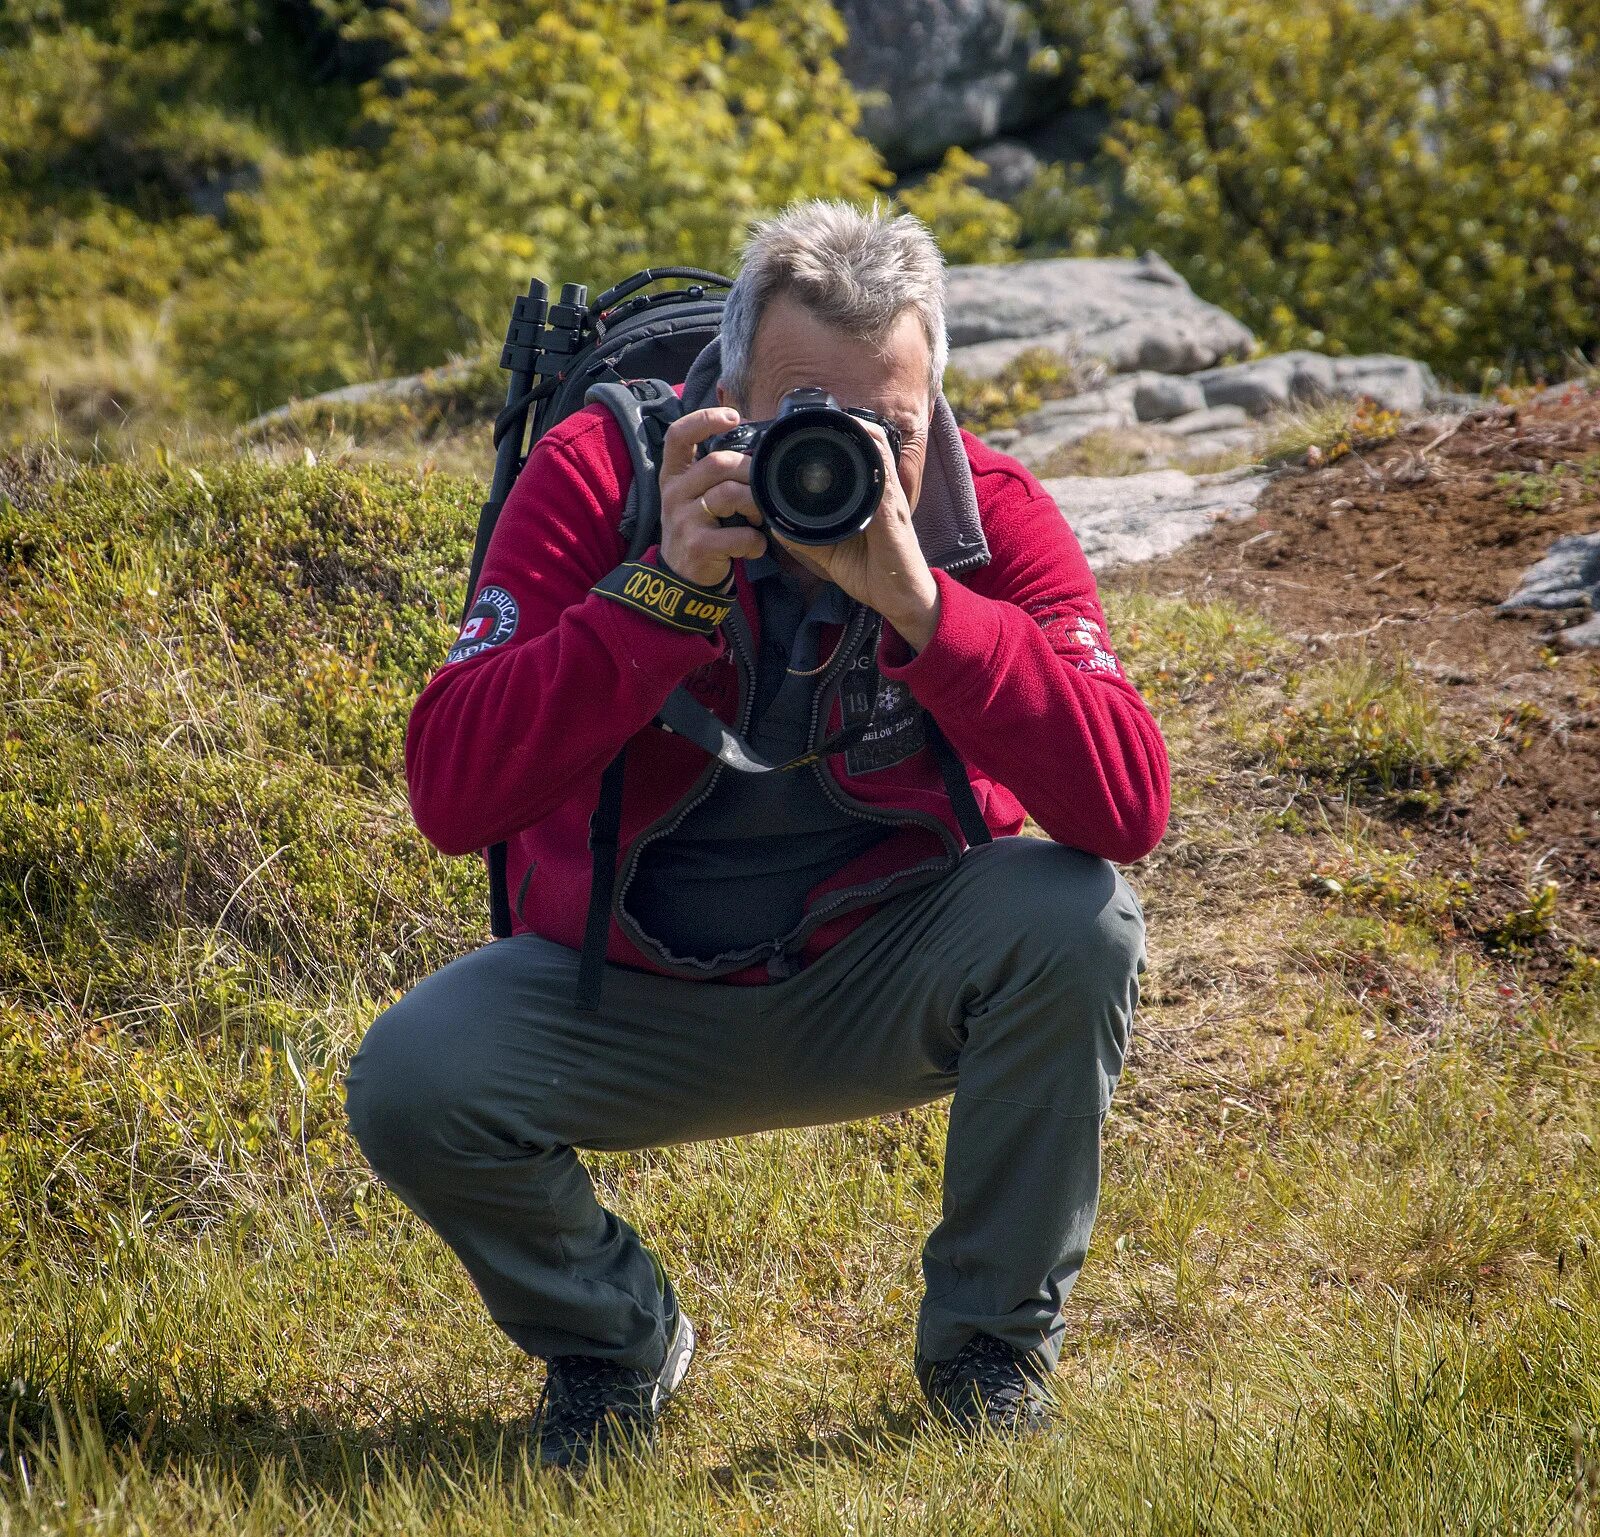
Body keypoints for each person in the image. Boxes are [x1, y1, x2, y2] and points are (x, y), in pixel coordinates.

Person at [343, 200, 1169, 1470]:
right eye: (797, 419)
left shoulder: (982, 510)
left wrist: (925, 605)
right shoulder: (600, 475)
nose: (837, 456)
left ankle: (989, 1354)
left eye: (882, 431)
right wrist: (659, 592)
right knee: (412, 1076)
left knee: (1076, 918)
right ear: (726, 387)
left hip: (885, 965)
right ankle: (613, 1342)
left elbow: (1127, 804)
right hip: (625, 988)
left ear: (933, 408)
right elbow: (451, 791)